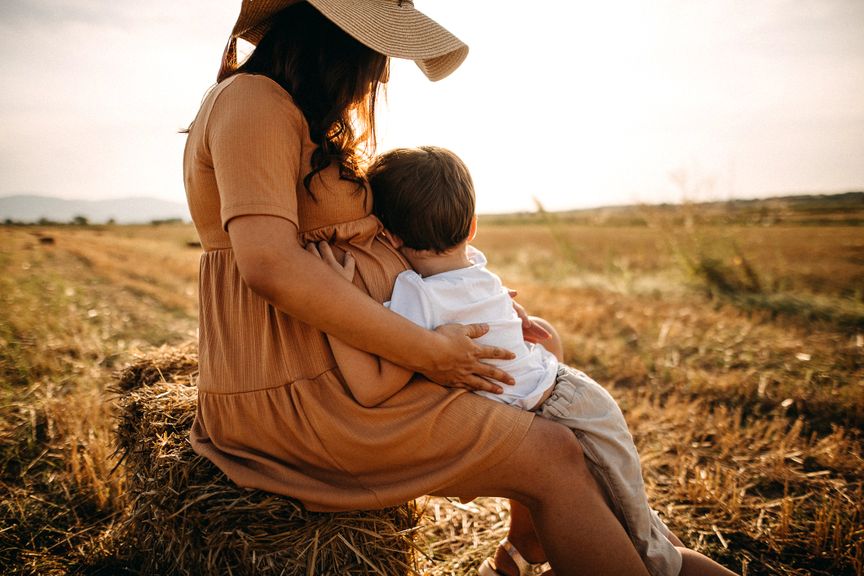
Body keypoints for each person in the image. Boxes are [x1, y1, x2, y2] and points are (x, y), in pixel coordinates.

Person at [183, 1, 685, 574]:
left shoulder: (293, 114)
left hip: (358, 363)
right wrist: (432, 351)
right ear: (340, 40)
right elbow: (270, 265)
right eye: (380, 52)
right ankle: (586, 530)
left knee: (545, 364)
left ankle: (576, 536)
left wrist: (471, 299)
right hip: (307, 386)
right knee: (555, 453)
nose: (382, 73)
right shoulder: (254, 102)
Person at [308, 146, 739, 576]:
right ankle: (530, 543)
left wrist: (333, 301)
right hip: (575, 399)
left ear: (390, 237)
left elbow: (373, 385)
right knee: (641, 535)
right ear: (472, 227)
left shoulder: (415, 296)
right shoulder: (476, 265)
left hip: (566, 413)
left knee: (656, 559)